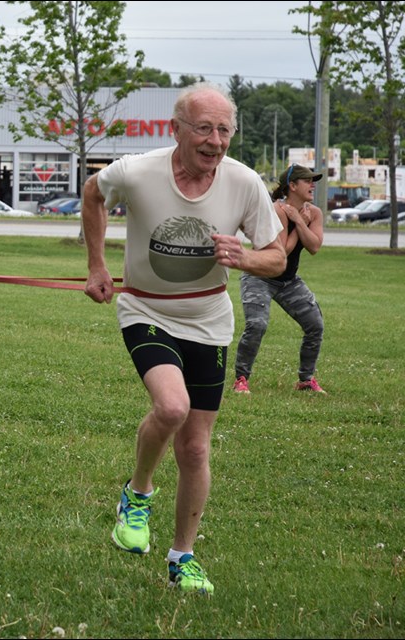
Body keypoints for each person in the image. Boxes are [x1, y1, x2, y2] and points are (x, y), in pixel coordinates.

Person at [79, 82, 286, 595]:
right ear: (177, 130)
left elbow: (276, 257)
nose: (215, 141)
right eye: (204, 129)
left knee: (195, 448)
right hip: (145, 308)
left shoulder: (243, 183)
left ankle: (182, 558)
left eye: (224, 130)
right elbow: (92, 193)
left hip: (209, 321)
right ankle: (138, 492)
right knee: (171, 407)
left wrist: (244, 258)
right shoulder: (138, 171)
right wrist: (98, 265)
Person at [232, 164, 326, 394]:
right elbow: (281, 252)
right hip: (260, 277)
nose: (313, 184)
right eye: (307, 180)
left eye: (314, 180)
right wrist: (296, 224)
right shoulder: (277, 211)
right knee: (257, 324)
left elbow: (314, 246)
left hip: (288, 281)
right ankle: (241, 379)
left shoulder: (314, 213)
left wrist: (300, 221)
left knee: (315, 325)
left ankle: (306, 379)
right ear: (292, 186)